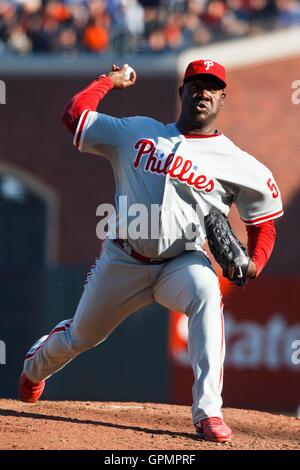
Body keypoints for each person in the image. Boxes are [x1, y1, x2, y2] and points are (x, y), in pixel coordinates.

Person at [18, 60, 283, 443]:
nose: (203, 93)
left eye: (211, 87)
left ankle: (208, 412)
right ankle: (34, 368)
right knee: (80, 338)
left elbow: (264, 223)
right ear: (182, 92)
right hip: (124, 259)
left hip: (183, 260)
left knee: (208, 294)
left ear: (223, 96)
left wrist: (255, 265)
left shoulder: (241, 164)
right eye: (195, 85)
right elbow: (74, 115)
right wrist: (108, 81)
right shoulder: (137, 131)